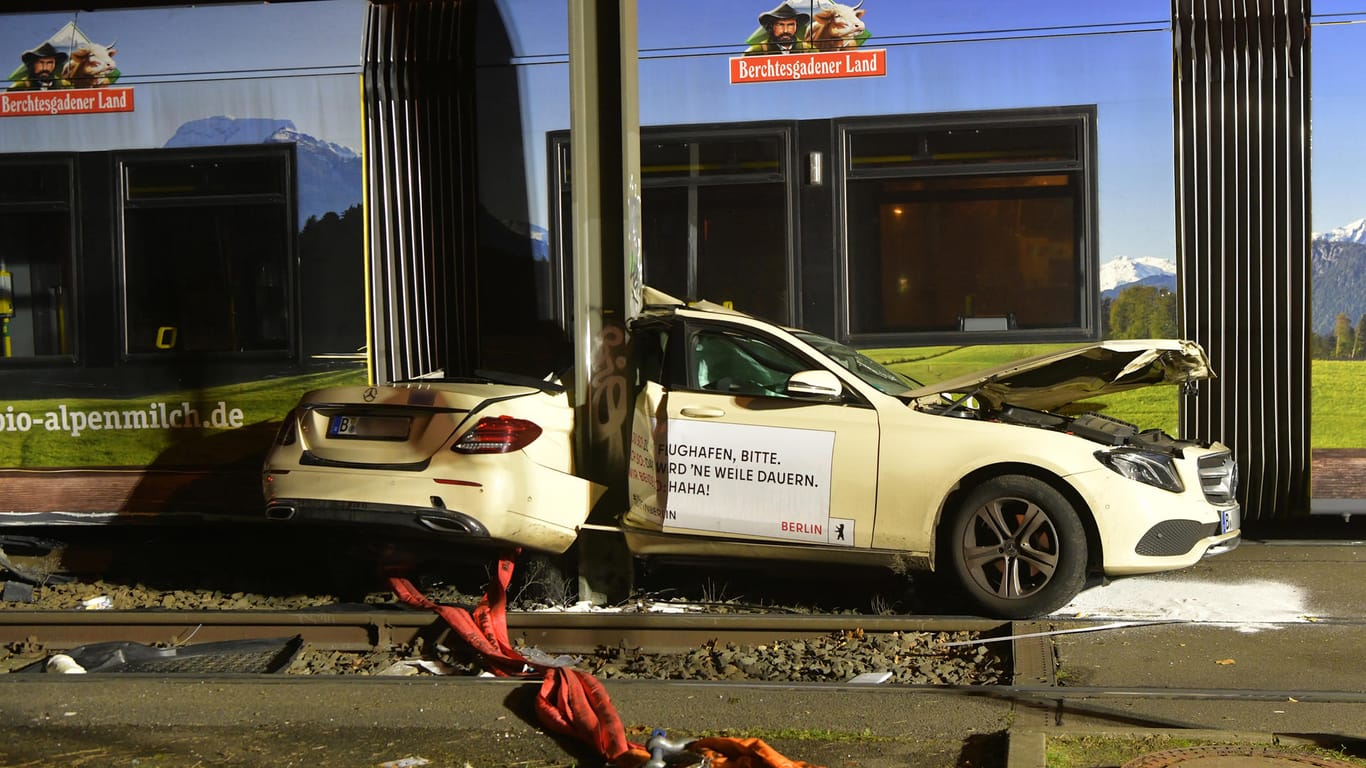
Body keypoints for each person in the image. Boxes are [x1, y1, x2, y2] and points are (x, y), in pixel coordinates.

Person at [743, 2, 815, 55]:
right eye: (780, 25)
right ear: (771, 26)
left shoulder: (810, 51)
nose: (786, 30)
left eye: (790, 25)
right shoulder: (755, 53)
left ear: (796, 26)